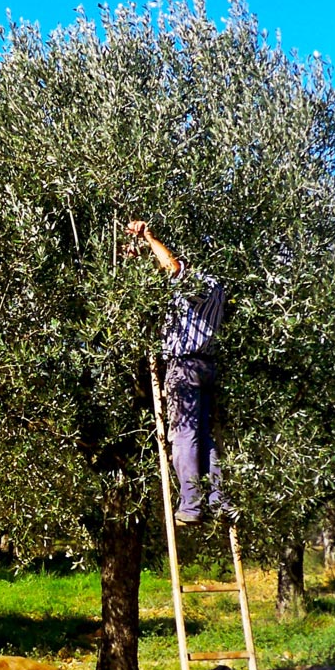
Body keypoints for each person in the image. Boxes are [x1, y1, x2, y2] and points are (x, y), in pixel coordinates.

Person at [125, 219, 232, 526]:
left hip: (185, 366)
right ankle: (218, 501)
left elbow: (172, 268)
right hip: (206, 367)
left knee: (184, 437)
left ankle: (192, 505)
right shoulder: (218, 288)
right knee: (205, 438)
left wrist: (148, 237)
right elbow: (166, 276)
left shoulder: (202, 283)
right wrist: (142, 258)